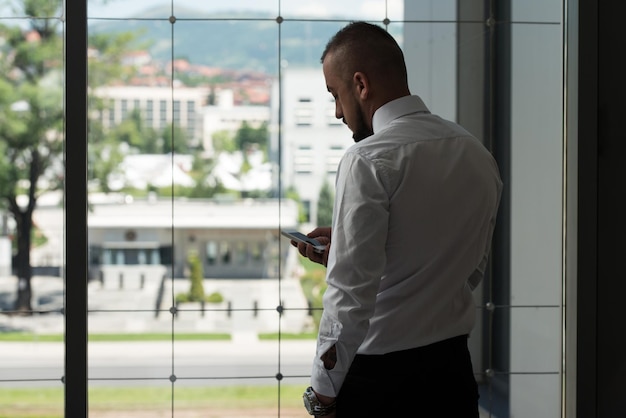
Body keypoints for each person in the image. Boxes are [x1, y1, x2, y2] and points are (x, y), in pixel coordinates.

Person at [291, 21, 503, 417]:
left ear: (361, 85)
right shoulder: (476, 153)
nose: (337, 112)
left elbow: (349, 294)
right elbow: (471, 268)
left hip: (379, 385)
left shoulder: (367, 159)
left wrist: (321, 394)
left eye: (335, 95)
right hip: (452, 377)